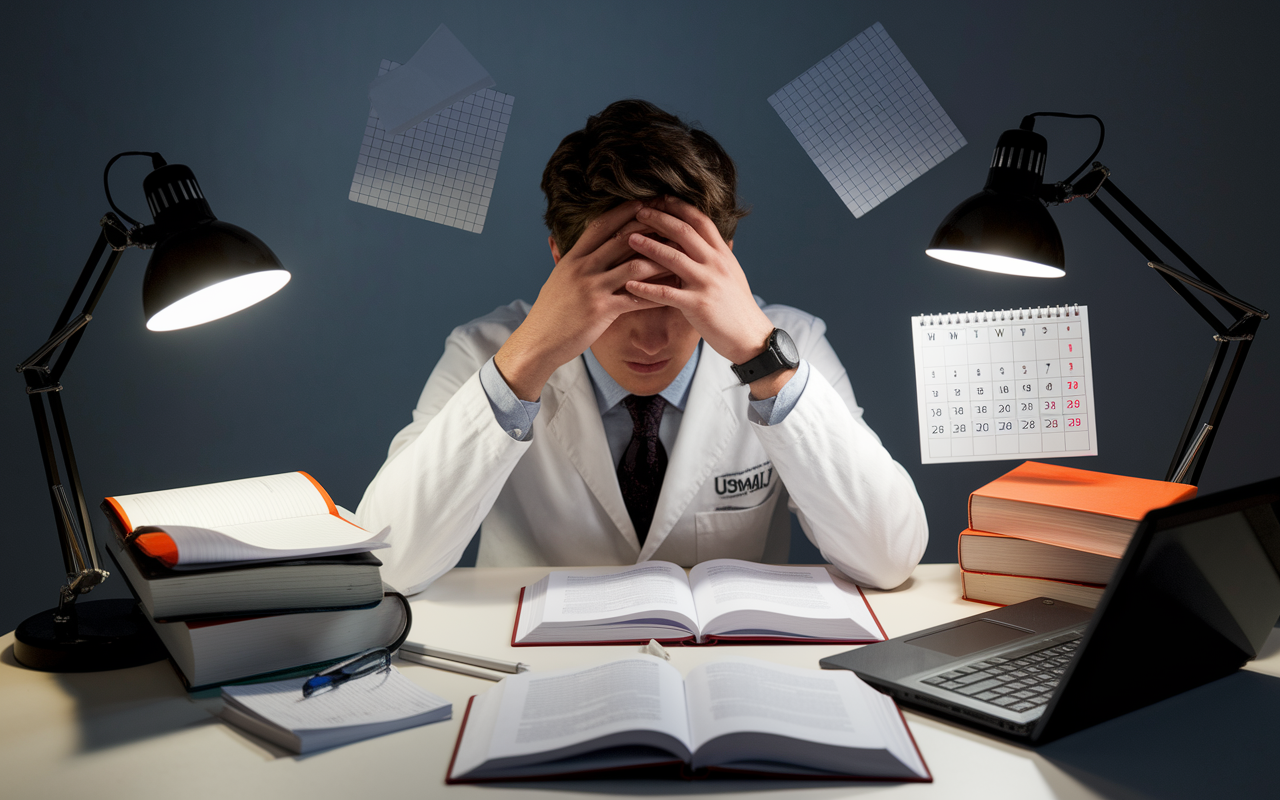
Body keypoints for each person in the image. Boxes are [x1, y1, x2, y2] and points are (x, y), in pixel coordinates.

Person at [357, 99, 927, 595]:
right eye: (621, 296)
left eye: (676, 294)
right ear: (560, 259)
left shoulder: (792, 346)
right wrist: (525, 361)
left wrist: (763, 357)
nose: (650, 338)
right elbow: (389, 564)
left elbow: (889, 557)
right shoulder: (484, 351)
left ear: (725, 260)